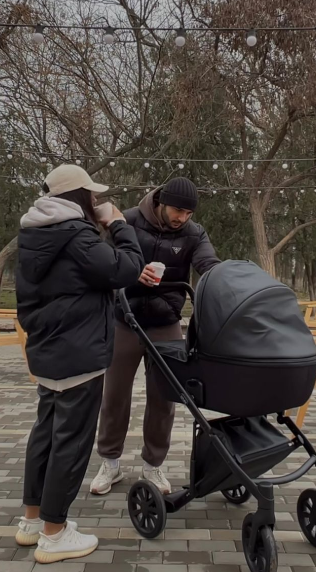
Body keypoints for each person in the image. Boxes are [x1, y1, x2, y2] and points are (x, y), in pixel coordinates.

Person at [15, 164, 144, 564]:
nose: (96, 200)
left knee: (46, 436)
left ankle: (32, 522)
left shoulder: (35, 234)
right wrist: (120, 225)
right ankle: (54, 536)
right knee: (70, 443)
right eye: (91, 194)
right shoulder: (75, 235)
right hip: (79, 353)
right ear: (77, 196)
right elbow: (125, 269)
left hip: (50, 351)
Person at [91, 177, 220, 496]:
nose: (183, 218)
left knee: (164, 398)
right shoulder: (128, 220)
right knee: (114, 395)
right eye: (178, 210)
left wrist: (224, 279)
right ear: (161, 202)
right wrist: (134, 272)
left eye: (189, 213)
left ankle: (154, 466)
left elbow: (208, 264)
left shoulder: (194, 233)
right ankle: (110, 462)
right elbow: (104, 264)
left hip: (166, 322)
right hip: (124, 318)